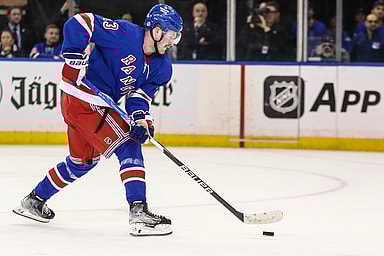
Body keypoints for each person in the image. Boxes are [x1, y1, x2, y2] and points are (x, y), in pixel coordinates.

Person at [13, 3, 183, 237]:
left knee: (82, 161)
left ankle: (34, 200)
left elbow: (139, 97)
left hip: (85, 104)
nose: (173, 41)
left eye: (177, 36)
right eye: (171, 34)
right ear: (156, 30)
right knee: (128, 144)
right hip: (83, 95)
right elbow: (81, 22)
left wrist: (142, 120)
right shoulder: (124, 34)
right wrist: (73, 54)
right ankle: (139, 212)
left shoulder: (162, 67)